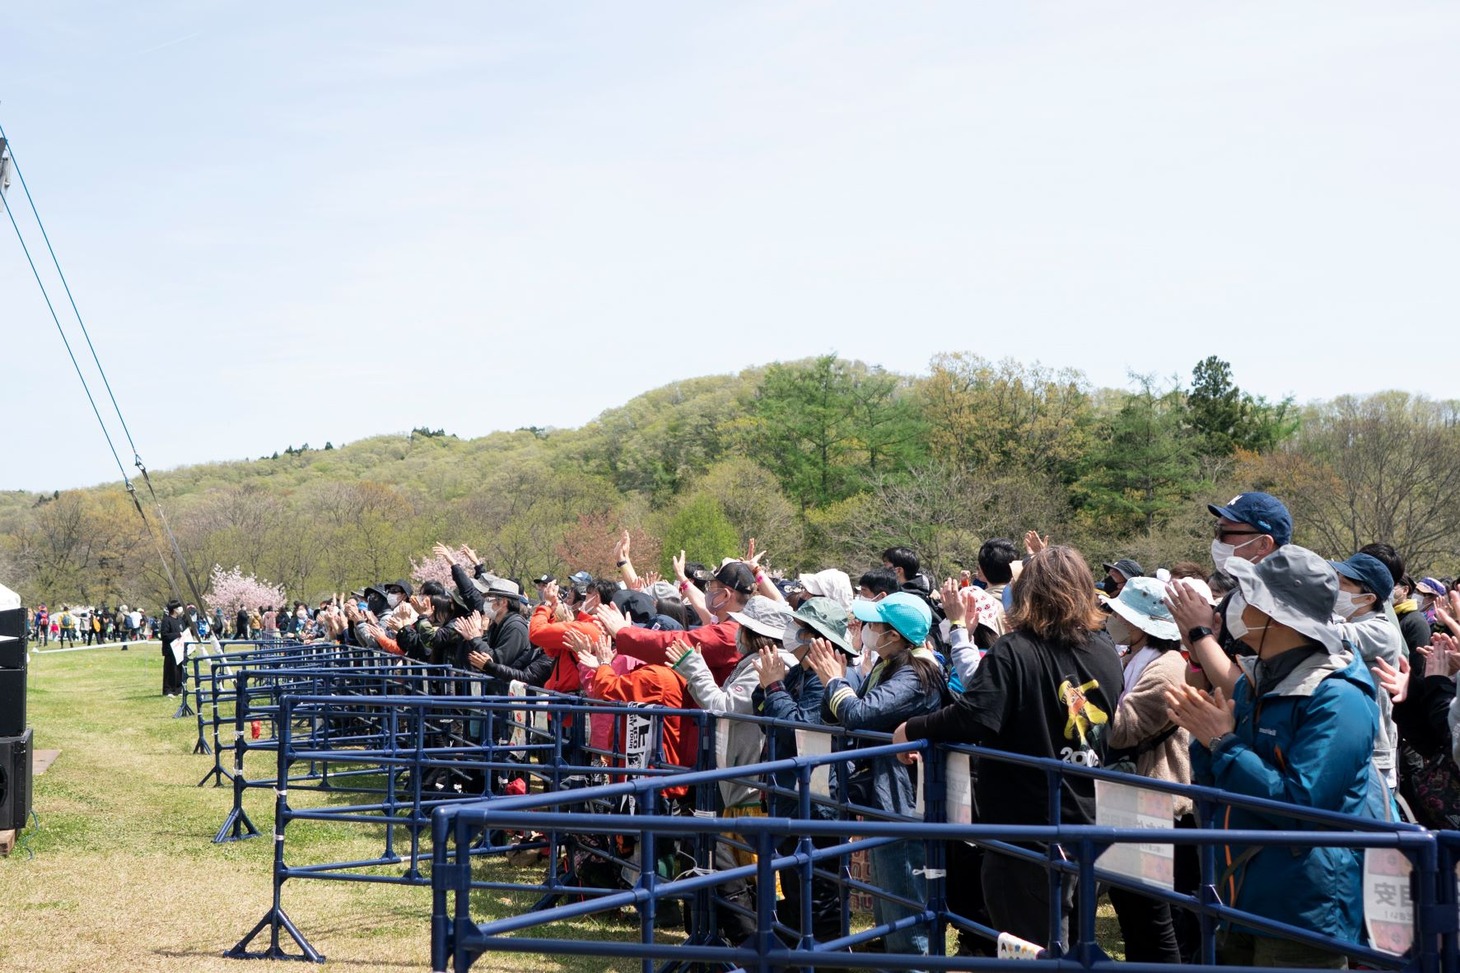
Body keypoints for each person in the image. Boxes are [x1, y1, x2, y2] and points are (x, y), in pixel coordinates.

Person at [894, 546, 1124, 950]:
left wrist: (911, 728)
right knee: (1069, 944)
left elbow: (972, 716)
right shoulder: (1105, 651)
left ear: (1028, 594)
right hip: (1084, 818)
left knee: (1030, 948)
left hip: (1022, 829)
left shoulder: (1015, 650)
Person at [1166, 546, 1382, 969]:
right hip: (1240, 893)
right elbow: (1218, 783)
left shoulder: (1339, 698)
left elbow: (1302, 809)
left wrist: (1222, 743)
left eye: (1248, 596)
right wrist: (1206, 736)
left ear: (1275, 616)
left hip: (1302, 908)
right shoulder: (1262, 679)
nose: (1235, 605)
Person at [809, 591, 945, 964]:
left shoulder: (918, 675)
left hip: (903, 802)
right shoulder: (887, 666)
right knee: (889, 896)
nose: (867, 631)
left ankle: (911, 965)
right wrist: (834, 684)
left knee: (904, 899)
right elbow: (836, 715)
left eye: (875, 625)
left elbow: (859, 714)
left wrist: (836, 682)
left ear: (896, 636)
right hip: (885, 797)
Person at [1102, 576, 1197, 964]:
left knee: (1156, 916)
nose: (1114, 620)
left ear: (1142, 625)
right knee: (1131, 905)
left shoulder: (1167, 669)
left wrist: (1076, 696)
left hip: (1157, 798)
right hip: (1134, 798)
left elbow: (1121, 729)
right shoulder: (1137, 659)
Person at [752, 596, 856, 946]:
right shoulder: (800, 672)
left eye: (801, 628)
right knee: (796, 883)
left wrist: (774, 687)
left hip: (819, 800)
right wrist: (769, 687)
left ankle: (826, 958)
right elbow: (766, 710)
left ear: (819, 639)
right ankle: (800, 951)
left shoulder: (826, 679)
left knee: (819, 888)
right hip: (792, 795)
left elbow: (801, 728)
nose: (791, 632)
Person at [1167, 491, 1293, 698]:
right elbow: (1199, 688)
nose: (1217, 541)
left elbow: (1249, 697)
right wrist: (1196, 653)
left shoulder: (1289, 607)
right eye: (1216, 530)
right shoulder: (1232, 600)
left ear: (1264, 544)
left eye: (1223, 533)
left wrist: (1201, 635)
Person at [1330, 553, 1403, 788]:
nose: (1335, 586)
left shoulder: (1382, 630)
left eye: (1345, 584)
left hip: (1373, 754)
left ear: (1368, 598)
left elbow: (1330, 635)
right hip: (1350, 745)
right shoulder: (1348, 621)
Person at [159, 600, 187, 697]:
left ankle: (178, 689)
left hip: (180, 649)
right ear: (174, 609)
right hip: (170, 650)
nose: (180, 609)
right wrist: (177, 635)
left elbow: (184, 632)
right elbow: (164, 635)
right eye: (179, 607)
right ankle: (168, 690)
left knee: (179, 670)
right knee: (170, 670)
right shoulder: (166, 620)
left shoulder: (180, 620)